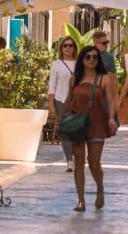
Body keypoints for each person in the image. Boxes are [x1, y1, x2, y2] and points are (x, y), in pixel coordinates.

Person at [63, 45, 118, 211]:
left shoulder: (104, 79)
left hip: (97, 124)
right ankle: (81, 200)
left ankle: (100, 189)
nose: (92, 60)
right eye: (88, 57)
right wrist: (61, 118)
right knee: (79, 162)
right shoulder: (75, 78)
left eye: (95, 57)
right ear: (82, 59)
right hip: (77, 124)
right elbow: (69, 99)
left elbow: (111, 101)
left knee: (94, 162)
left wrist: (111, 119)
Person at [47, 36, 79, 171]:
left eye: (70, 45)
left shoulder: (80, 64)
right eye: (65, 45)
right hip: (61, 100)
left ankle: (77, 156)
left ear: (74, 48)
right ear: (61, 48)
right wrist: (51, 104)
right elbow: (52, 86)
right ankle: (69, 160)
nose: (67, 48)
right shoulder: (56, 64)